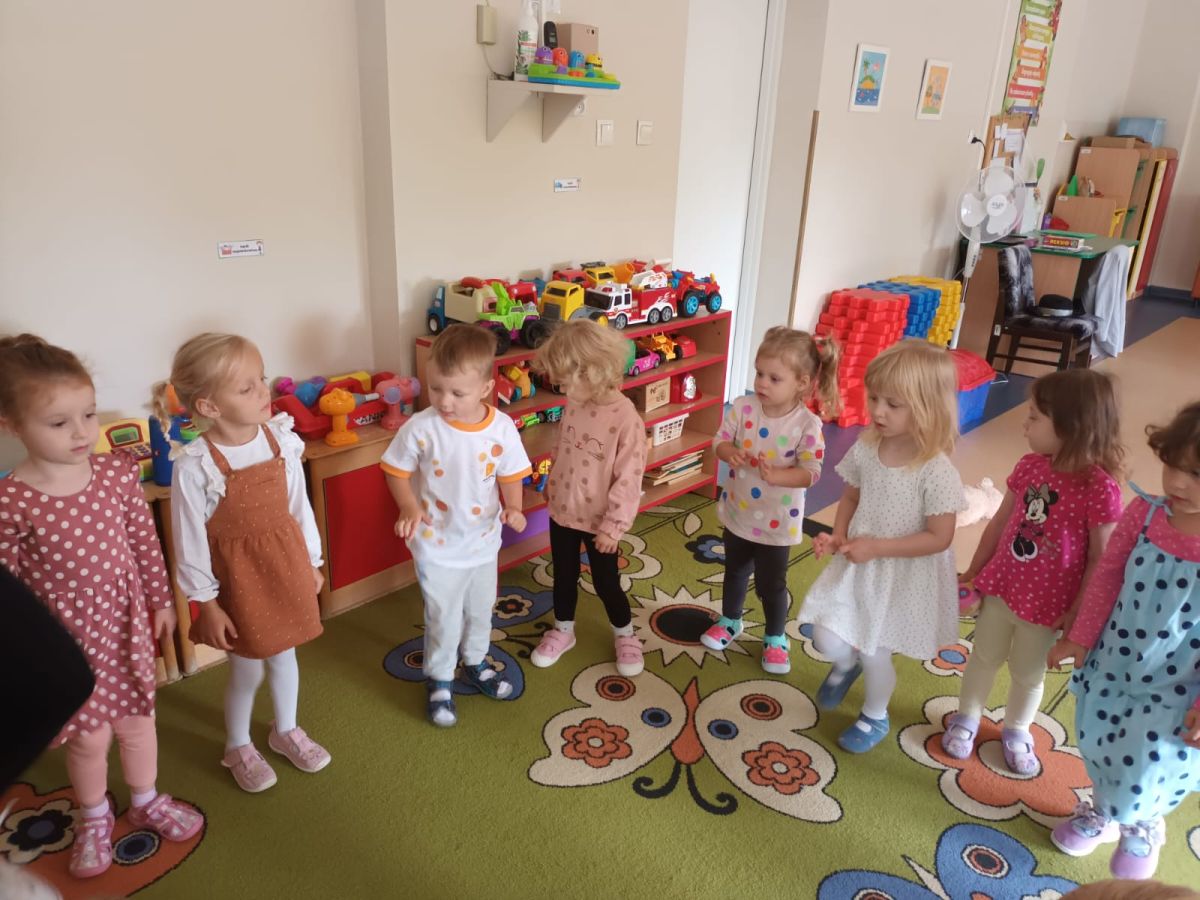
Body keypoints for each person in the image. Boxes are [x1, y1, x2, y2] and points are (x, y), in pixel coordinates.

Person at [0, 334, 202, 879]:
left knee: (137, 719)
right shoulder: (11, 499)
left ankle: (146, 799)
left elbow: (144, 542)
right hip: (63, 638)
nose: (81, 432)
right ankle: (93, 815)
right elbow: (8, 589)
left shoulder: (115, 472)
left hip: (123, 619)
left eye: (88, 414)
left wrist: (161, 601)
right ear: (11, 425)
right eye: (59, 422)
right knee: (90, 736)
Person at [157, 333, 330, 792]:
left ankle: (285, 729)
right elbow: (190, 541)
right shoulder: (195, 464)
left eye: (262, 379)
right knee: (248, 667)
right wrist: (207, 604)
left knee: (287, 653)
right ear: (209, 406)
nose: (262, 392)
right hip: (240, 579)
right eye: (246, 387)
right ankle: (237, 745)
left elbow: (299, 508)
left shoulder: (281, 440)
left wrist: (312, 561)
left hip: (286, 566)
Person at [1047, 401, 1200, 881]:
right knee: (1103, 740)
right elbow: (1109, 574)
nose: (1177, 483)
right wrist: (1080, 637)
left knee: (1149, 758)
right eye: (1173, 466)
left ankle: (1142, 823)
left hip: (1179, 682)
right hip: (1116, 659)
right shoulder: (1145, 513)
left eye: (1196, 475)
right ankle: (1104, 809)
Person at [944, 370, 1124, 773]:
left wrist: (1078, 612)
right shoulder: (1029, 466)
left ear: (1071, 426)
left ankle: (1017, 729)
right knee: (983, 657)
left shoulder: (1099, 488)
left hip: (1050, 605)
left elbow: (1102, 559)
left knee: (1028, 674)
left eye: (1034, 418)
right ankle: (967, 717)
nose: (1024, 425)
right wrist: (974, 570)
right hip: (1003, 588)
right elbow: (999, 522)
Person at [797, 339, 964, 753]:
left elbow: (940, 537)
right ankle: (844, 664)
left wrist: (878, 548)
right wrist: (839, 534)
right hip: (859, 560)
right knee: (825, 636)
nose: (878, 411)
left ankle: (875, 715)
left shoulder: (936, 470)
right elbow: (851, 496)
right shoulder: (868, 446)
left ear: (927, 408)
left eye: (893, 404)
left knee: (876, 653)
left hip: (901, 576)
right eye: (874, 398)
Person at [382, 324, 530, 725]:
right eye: (436, 389)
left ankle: (476, 661)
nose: (444, 401)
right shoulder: (422, 427)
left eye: (457, 393)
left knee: (481, 610)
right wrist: (408, 506)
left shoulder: (501, 427)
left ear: (485, 387)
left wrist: (515, 507)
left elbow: (510, 473)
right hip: (437, 545)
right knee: (443, 616)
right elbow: (395, 469)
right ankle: (441, 677)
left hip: (483, 542)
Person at [701, 326, 840, 674]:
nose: (762, 383)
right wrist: (729, 452)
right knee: (734, 571)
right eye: (759, 373)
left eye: (774, 378)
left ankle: (776, 637)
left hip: (778, 521)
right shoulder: (743, 408)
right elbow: (719, 440)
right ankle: (730, 620)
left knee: (771, 584)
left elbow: (811, 471)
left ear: (801, 383)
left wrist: (778, 476)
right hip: (740, 511)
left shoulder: (807, 424)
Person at [527, 321, 648, 676]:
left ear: (590, 372)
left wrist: (614, 526)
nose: (561, 388)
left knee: (606, 582)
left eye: (564, 382)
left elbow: (629, 478)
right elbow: (563, 445)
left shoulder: (626, 420)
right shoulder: (575, 402)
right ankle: (563, 629)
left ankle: (625, 634)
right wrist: (551, 479)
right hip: (564, 510)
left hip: (601, 523)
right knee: (563, 575)